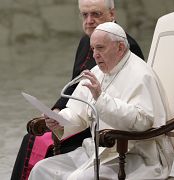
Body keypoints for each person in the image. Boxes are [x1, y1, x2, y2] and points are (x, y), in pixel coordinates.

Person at [11, 0, 144, 179]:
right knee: (35, 136)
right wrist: (57, 112)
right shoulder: (86, 41)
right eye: (84, 15)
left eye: (96, 14)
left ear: (112, 14)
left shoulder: (125, 47)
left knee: (36, 140)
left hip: (104, 130)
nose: (89, 20)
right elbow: (76, 87)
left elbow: (128, 108)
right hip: (83, 117)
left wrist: (89, 106)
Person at [29, 22, 174, 179]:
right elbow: (78, 113)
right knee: (41, 169)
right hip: (98, 152)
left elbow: (142, 122)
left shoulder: (142, 75)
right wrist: (60, 121)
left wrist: (101, 99)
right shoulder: (97, 72)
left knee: (78, 178)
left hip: (137, 156)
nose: (94, 55)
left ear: (120, 48)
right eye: (93, 49)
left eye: (100, 48)